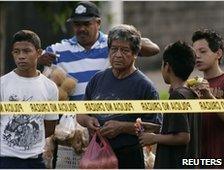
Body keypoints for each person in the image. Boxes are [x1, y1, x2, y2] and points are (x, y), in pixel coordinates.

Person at [76, 24, 162, 169]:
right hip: (97, 155)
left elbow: (156, 128)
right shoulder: (98, 79)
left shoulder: (145, 87)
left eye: (125, 50)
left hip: (129, 157)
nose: (118, 55)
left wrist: (123, 127)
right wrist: (88, 120)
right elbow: (81, 114)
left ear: (135, 54)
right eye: (114, 49)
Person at [37, 1, 160, 100]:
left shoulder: (113, 44)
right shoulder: (59, 49)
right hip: (73, 124)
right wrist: (38, 61)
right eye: (77, 24)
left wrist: (127, 40)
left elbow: (154, 49)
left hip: (107, 118)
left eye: (86, 24)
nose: (81, 29)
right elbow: (29, 57)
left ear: (98, 23)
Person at [0, 30, 59, 168]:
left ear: (39, 53)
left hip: (36, 160)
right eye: (17, 51)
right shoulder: (2, 84)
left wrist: (30, 139)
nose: (21, 56)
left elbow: (50, 127)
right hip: (5, 159)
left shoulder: (50, 87)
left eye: (27, 51)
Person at [137, 41, 198, 168]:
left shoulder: (177, 97)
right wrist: (155, 128)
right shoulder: (191, 94)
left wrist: (154, 138)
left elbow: (183, 136)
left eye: (162, 64)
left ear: (167, 66)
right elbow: (180, 127)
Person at [192, 29, 224, 168]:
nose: (197, 56)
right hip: (199, 161)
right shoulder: (192, 85)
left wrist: (209, 98)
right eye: (195, 53)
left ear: (218, 53)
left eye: (203, 51)